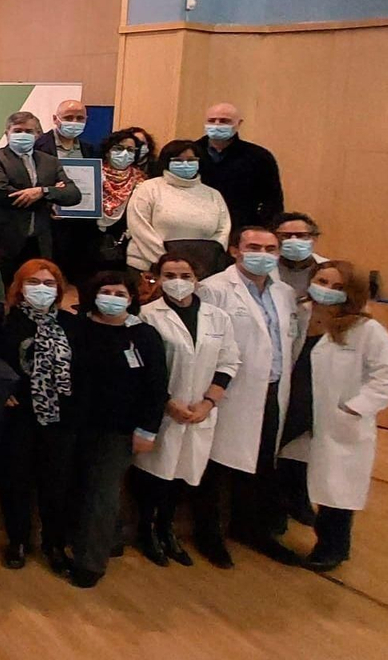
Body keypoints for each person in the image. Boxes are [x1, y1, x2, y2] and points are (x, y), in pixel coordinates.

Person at [278, 261, 388, 571]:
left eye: (338, 287)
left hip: (337, 419)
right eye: (322, 281)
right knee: (290, 477)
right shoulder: (299, 315)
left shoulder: (366, 329)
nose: (327, 290)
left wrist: (354, 407)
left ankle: (332, 548)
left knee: (337, 490)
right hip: (295, 412)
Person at [194, 227, 302, 568]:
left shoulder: (284, 293)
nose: (263, 253)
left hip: (271, 389)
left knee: (260, 464)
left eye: (271, 248)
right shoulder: (214, 289)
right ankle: (208, 534)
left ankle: (251, 528)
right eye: (253, 247)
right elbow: (206, 343)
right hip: (226, 391)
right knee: (216, 465)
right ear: (235, 250)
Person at [131, 252, 240, 567]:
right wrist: (168, 402)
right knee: (154, 475)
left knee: (182, 476)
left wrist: (208, 403)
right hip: (164, 410)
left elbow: (229, 361)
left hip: (199, 411)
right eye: (169, 276)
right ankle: (147, 531)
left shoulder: (218, 317)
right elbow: (144, 368)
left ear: (197, 279)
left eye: (184, 276)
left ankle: (167, 530)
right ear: (158, 278)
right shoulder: (148, 315)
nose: (177, 283)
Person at [64, 270, 168, 588]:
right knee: (78, 489)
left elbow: (156, 386)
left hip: (119, 430)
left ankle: (90, 564)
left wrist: (148, 429)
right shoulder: (75, 328)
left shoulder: (144, 336)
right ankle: (107, 539)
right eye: (106, 291)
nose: (112, 298)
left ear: (131, 298)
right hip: (74, 425)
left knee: (102, 494)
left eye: (120, 293)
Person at [0, 260, 79, 573]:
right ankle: (18, 542)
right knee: (15, 482)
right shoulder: (4, 321)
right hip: (17, 416)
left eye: (48, 283)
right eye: (34, 282)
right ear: (19, 287)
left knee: (57, 484)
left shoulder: (71, 323)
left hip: (60, 418)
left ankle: (54, 545)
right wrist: (0, 393)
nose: (41, 289)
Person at [0, 111, 82, 278]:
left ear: (38, 135)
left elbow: (73, 194)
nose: (22, 135)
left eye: (28, 131)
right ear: (7, 133)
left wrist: (42, 191)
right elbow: (1, 193)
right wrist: (52, 194)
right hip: (4, 242)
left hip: (39, 242)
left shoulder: (50, 161)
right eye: (17, 131)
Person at [125, 140, 231, 277]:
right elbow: (139, 227)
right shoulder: (148, 188)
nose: (185, 164)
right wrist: (166, 261)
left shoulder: (213, 194)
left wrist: (205, 261)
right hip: (150, 267)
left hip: (201, 270)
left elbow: (223, 231)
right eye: (178, 160)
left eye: (191, 160)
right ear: (167, 161)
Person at [37, 101, 100, 285]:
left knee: (81, 274)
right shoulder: (39, 146)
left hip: (82, 223)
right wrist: (48, 206)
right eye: (68, 118)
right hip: (51, 223)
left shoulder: (89, 149)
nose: (74, 122)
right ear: (55, 119)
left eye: (80, 118)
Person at [198, 102, 284, 230]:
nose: (216, 125)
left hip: (242, 229)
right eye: (212, 120)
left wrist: (266, 231)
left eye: (224, 121)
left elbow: (272, 201)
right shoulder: (191, 153)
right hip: (196, 226)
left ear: (239, 124)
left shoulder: (259, 156)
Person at [94, 130, 148, 273]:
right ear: (107, 152)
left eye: (130, 150)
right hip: (90, 242)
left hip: (124, 244)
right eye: (118, 148)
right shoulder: (93, 174)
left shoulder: (141, 180)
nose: (124, 153)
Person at [272, 212, 327, 299]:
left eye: (301, 235)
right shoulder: (265, 269)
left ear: (314, 238)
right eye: (286, 236)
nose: (293, 240)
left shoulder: (328, 268)